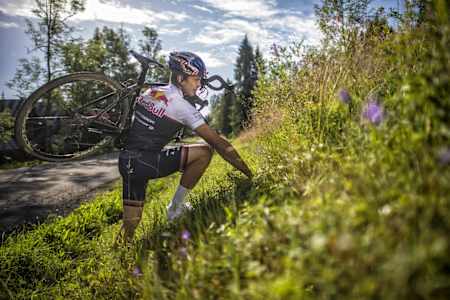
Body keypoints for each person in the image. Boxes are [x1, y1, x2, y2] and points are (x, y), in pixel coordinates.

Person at [118, 51, 253, 243]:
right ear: (181, 78)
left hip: (127, 162)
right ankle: (175, 209)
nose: (199, 84)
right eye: (196, 79)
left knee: (131, 224)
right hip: (144, 162)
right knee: (205, 151)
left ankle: (121, 250)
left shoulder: (152, 91)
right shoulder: (182, 108)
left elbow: (164, 104)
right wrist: (248, 173)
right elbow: (219, 143)